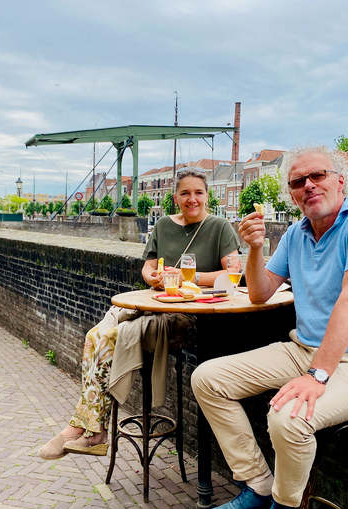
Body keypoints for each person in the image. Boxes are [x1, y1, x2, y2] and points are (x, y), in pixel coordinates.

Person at [191, 146, 348, 509]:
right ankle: (259, 487)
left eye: (317, 176)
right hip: (303, 350)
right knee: (207, 378)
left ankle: (284, 506)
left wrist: (317, 375)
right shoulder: (296, 233)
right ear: (291, 194)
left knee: (288, 420)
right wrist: (255, 248)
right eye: (297, 182)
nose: (308, 185)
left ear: (341, 181)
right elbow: (259, 294)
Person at [39, 167, 240, 460]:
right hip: (154, 305)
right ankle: (88, 427)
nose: (192, 199)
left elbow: (234, 272)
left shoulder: (220, 226)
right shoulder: (162, 227)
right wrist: (155, 278)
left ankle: (89, 430)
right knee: (94, 335)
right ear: (175, 197)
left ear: (207, 196)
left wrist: (189, 279)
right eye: (185, 193)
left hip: (191, 319)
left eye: (198, 192)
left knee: (108, 338)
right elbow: (148, 267)